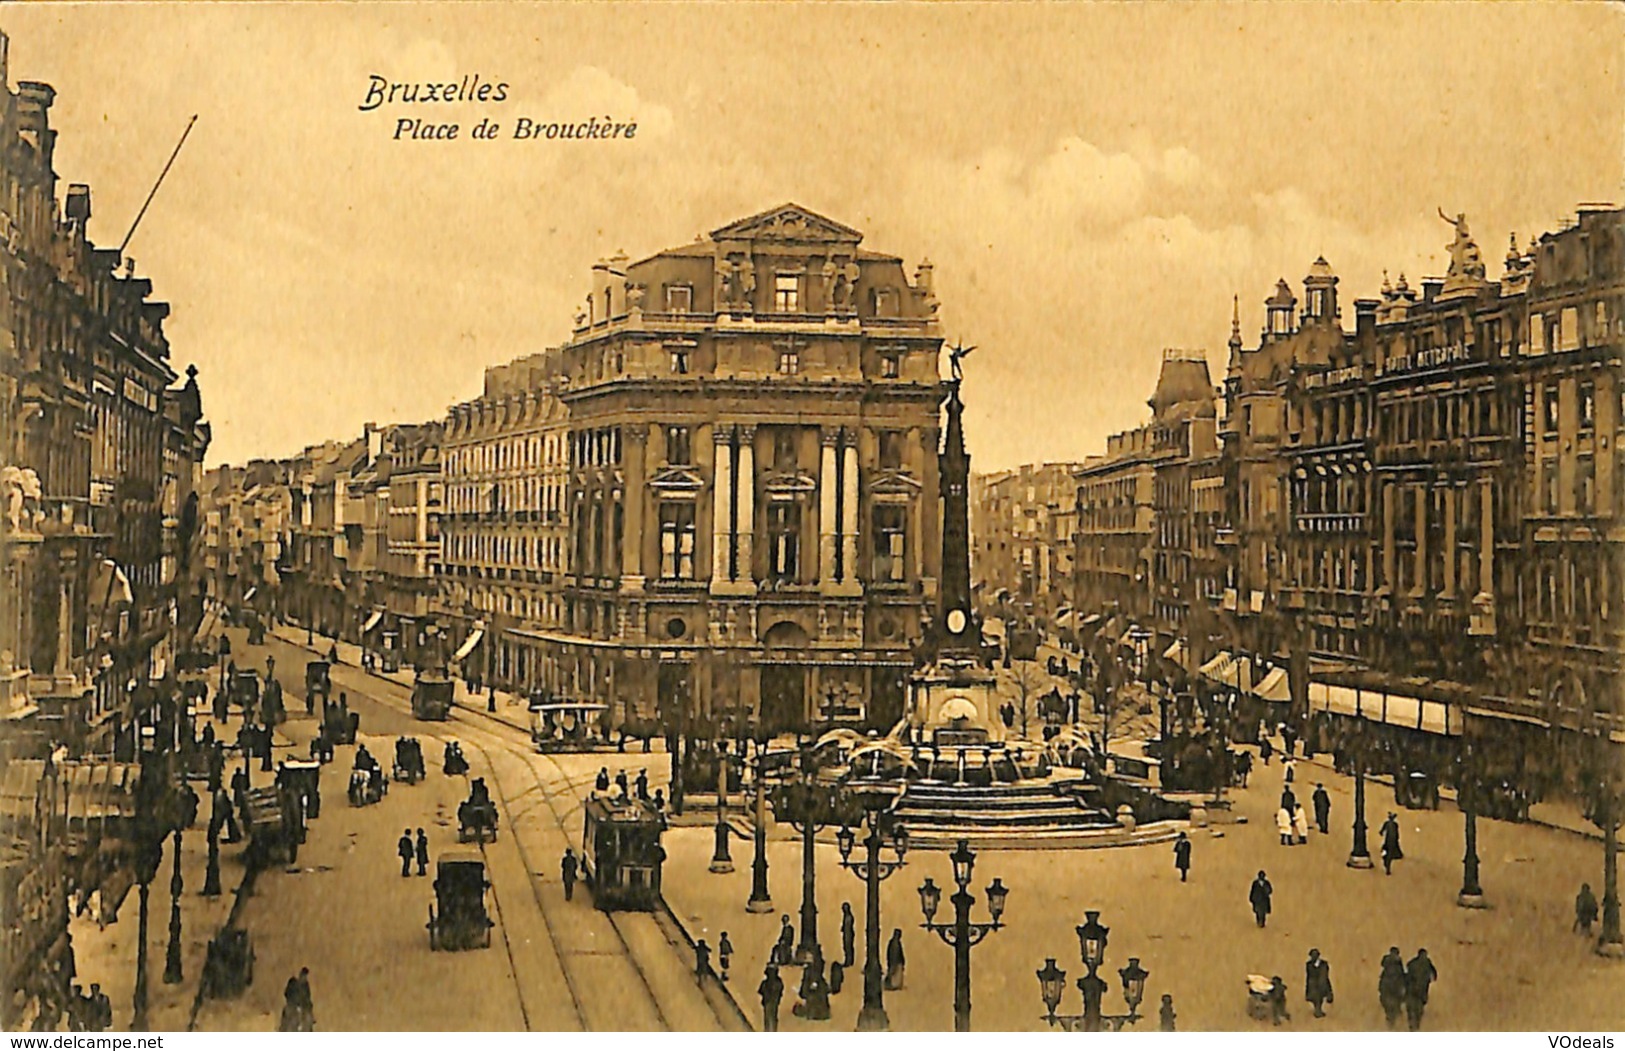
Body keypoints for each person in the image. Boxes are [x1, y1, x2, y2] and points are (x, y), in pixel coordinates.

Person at [1404, 948, 1436, 1031]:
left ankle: (1412, 1027)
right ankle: (1416, 1027)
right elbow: (1435, 975)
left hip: (1411, 991)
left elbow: (1407, 973)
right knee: (1419, 1012)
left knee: (1411, 1010)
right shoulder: (1427, 963)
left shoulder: (1413, 963)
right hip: (1422, 993)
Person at [1378, 947, 1407, 1029]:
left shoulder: (1386, 966)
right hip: (1395, 991)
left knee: (1389, 1010)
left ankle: (1390, 1024)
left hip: (1386, 990)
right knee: (1395, 1009)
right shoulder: (1398, 965)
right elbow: (1402, 978)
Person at [1304, 948, 1333, 1018]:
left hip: (1322, 983)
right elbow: (1309, 975)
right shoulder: (1309, 964)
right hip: (1313, 984)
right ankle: (1317, 1010)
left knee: (1320, 997)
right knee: (1315, 998)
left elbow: (1325, 974)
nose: (1313, 957)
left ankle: (1318, 1010)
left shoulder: (1324, 964)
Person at [759, 964, 785, 1032]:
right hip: (774, 1002)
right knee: (773, 1017)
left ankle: (768, 1030)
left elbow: (760, 991)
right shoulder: (778, 982)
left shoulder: (765, 983)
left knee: (768, 1017)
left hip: (768, 1002)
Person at [841, 902, 857, 967]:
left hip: (848, 934)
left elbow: (848, 926)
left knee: (848, 947)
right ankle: (848, 960)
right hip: (847, 933)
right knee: (847, 947)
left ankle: (849, 961)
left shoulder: (849, 917)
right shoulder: (847, 916)